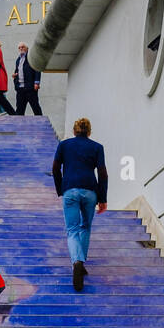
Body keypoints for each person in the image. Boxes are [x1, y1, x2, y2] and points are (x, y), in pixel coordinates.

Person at [52, 116, 108, 291]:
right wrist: (103, 198)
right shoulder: (97, 147)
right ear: (89, 132)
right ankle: (80, 263)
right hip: (90, 191)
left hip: (70, 190)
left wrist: (61, 188)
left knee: (72, 230)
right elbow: (103, 173)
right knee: (85, 227)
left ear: (74, 131)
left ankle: (76, 261)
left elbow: (55, 167)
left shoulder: (64, 145)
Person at [13, 44, 42, 115]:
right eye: (19, 47)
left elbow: (37, 69)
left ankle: (41, 124)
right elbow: (17, 71)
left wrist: (37, 82)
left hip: (30, 88)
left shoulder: (31, 57)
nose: (21, 48)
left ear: (27, 48)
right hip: (20, 89)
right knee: (19, 111)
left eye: (22, 47)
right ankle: (19, 126)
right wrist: (15, 76)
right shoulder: (18, 60)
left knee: (36, 108)